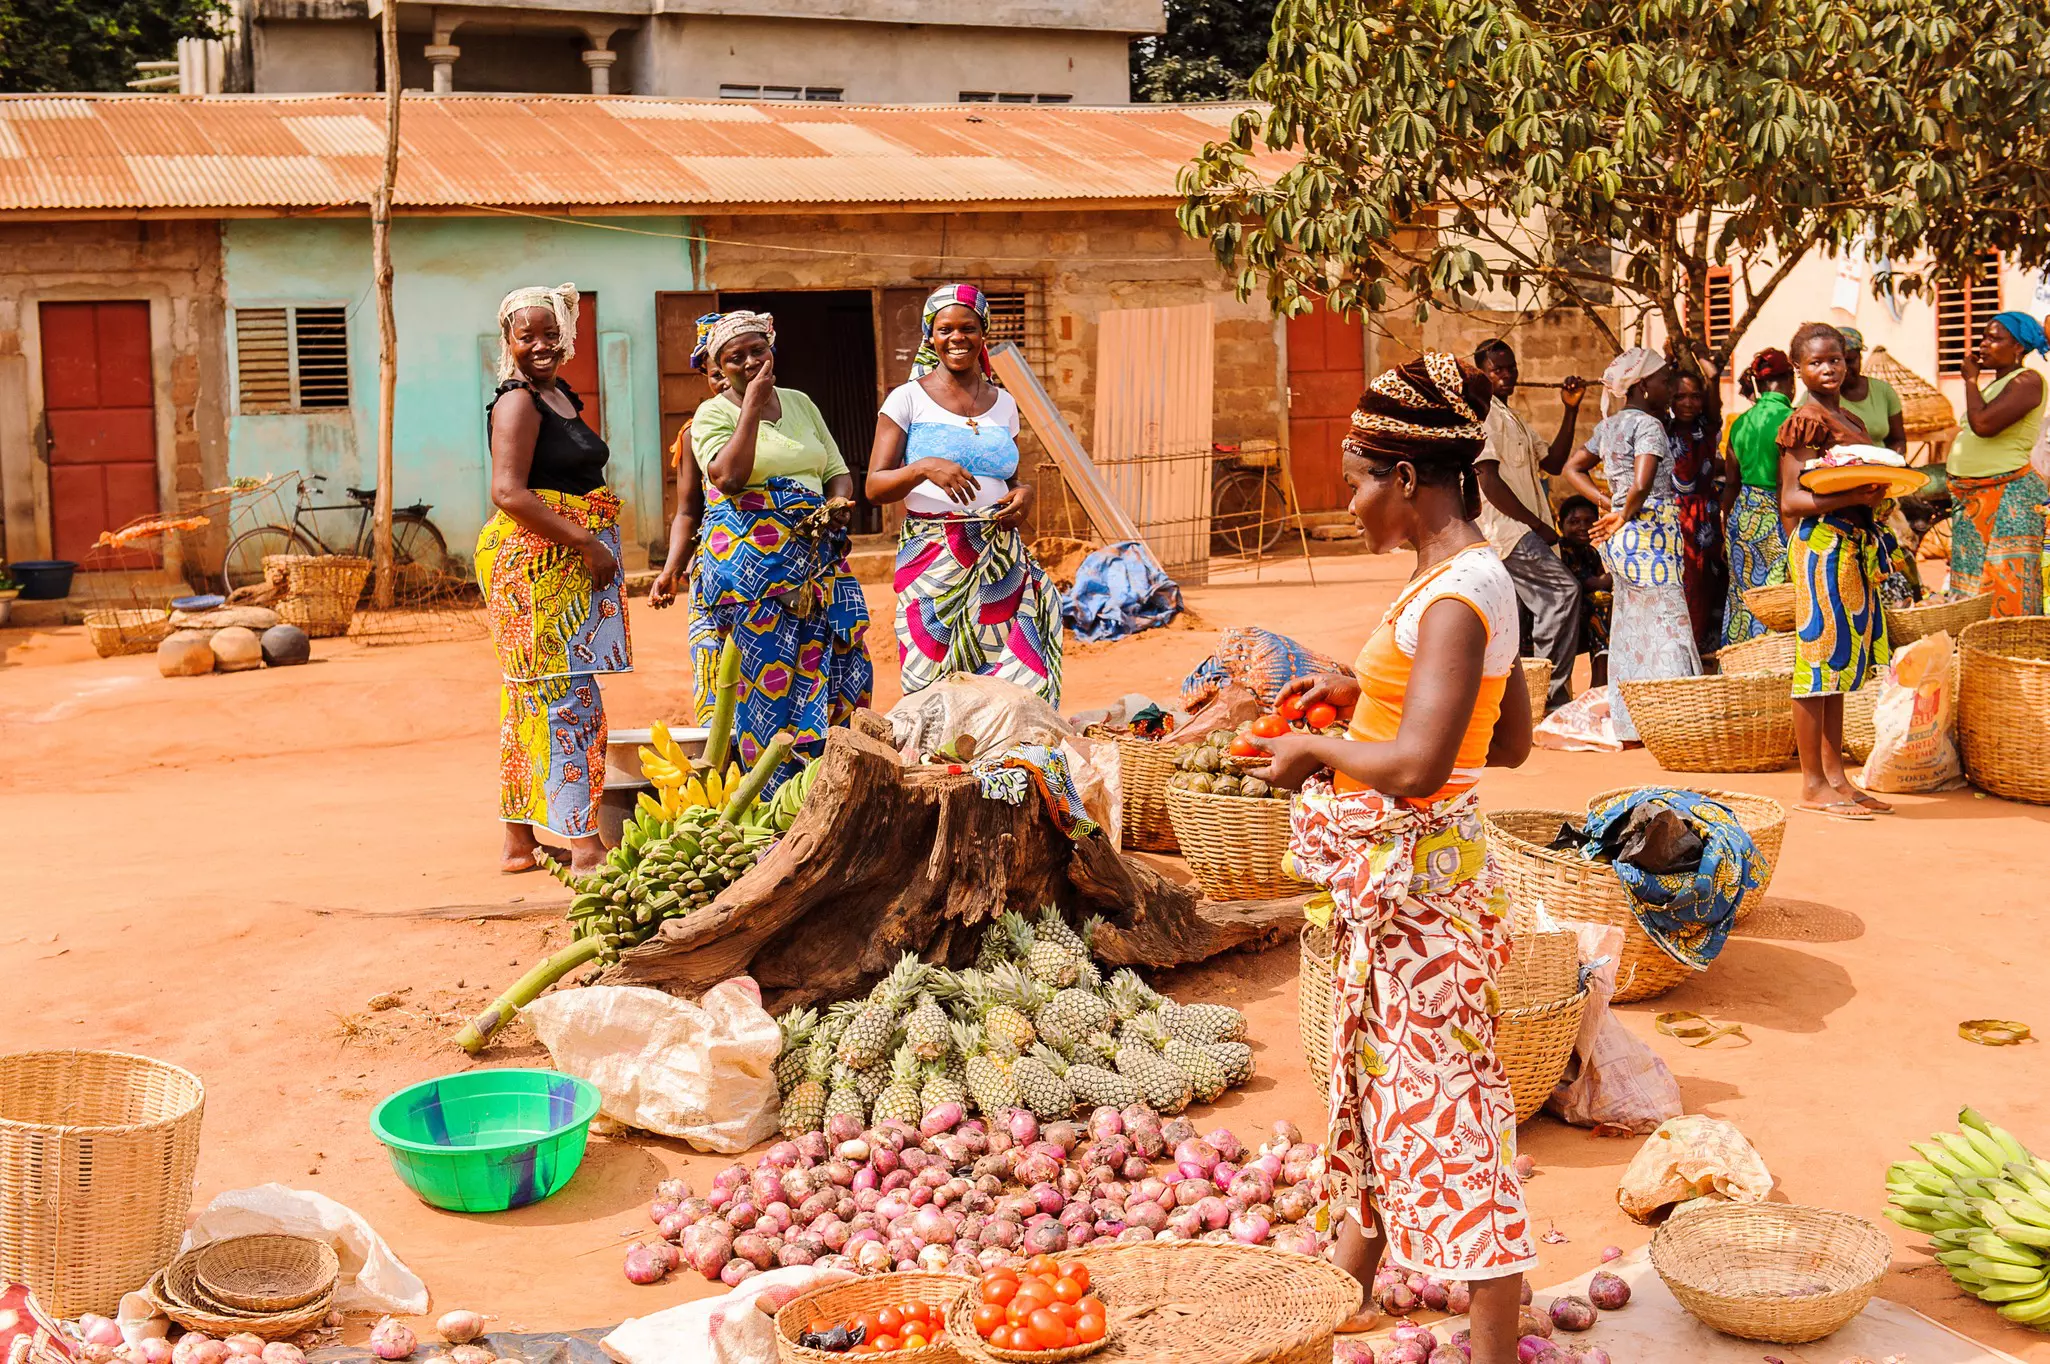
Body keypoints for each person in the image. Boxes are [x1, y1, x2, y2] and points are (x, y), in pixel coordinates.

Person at [1247, 352, 1537, 1362]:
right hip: (1410, 883)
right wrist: (1353, 693)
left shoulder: (1460, 594)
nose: (1350, 495)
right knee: (1377, 1087)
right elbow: (1501, 738)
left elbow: (1420, 763)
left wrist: (1319, 747)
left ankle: (1495, 1344)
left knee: (1448, 1109)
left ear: (1408, 480)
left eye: (1360, 475)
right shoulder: (1456, 580)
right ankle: (1340, 1290)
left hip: (1423, 892)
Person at [476, 283, 630, 875]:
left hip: (562, 565)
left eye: (550, 333)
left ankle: (519, 842)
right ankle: (585, 842)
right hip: (539, 570)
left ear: (566, 337)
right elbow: (507, 491)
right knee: (565, 699)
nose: (539, 345)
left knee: (535, 699)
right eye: (525, 335)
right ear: (508, 342)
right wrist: (586, 541)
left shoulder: (560, 395)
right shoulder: (519, 402)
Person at [687, 309, 873, 778]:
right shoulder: (712, 413)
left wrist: (837, 505)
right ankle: (768, 796)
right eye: (735, 357)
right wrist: (750, 405)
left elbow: (836, 472)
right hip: (752, 571)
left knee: (836, 669)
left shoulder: (801, 403)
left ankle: (828, 787)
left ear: (772, 349)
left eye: (758, 350)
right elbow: (728, 478)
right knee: (764, 680)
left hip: (817, 556)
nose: (749, 362)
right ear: (719, 365)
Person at [865, 283, 1064, 703]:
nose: (957, 338)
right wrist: (923, 467)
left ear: (983, 331)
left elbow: (1010, 476)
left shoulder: (1004, 403)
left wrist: (1024, 492)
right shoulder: (907, 399)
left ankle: (1002, 759)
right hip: (933, 556)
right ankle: (937, 764)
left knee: (1011, 679)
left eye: (968, 328)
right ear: (930, 337)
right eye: (945, 329)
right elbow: (874, 486)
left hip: (1000, 557)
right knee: (931, 676)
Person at [1777, 322, 1894, 820]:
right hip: (1821, 547)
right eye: (1817, 362)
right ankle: (1811, 785)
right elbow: (1793, 498)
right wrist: (1855, 496)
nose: (1829, 368)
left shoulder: (1845, 416)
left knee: (1840, 666)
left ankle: (1837, 779)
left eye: (1837, 360)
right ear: (1798, 368)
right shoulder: (1805, 420)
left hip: (1851, 547)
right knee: (1819, 662)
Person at [1561, 348, 1700, 741]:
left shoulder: (1610, 426)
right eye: (1664, 381)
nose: (1670, 388)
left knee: (1633, 625)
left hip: (1625, 539)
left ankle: (1633, 720)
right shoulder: (1649, 426)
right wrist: (1621, 510)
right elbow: (1642, 483)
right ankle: (1677, 719)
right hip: (1650, 534)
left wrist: (1609, 504)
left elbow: (1573, 469)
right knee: (1669, 621)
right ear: (1642, 386)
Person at [1471, 339, 1586, 712]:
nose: (1506, 375)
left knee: (1519, 614)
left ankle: (1525, 698)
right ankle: (1551, 695)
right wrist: (1537, 525)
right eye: (1497, 369)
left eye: (1510, 368)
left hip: (1522, 529)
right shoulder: (1483, 416)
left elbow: (1551, 463)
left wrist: (1571, 410)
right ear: (1482, 373)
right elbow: (1487, 481)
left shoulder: (1509, 415)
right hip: (1510, 532)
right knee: (1562, 593)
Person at [1948, 311, 2048, 617]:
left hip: (2008, 497)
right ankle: (1981, 658)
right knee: (1975, 589)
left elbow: (1984, 425)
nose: (1984, 345)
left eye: (1995, 339)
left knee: (2007, 584)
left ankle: (2015, 660)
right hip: (1974, 500)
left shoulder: (2028, 381)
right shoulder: (1997, 384)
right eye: (1983, 338)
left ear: (2018, 347)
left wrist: (1969, 379)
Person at [1719, 347, 1797, 643]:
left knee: (1745, 598)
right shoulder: (1794, 421)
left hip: (1744, 516)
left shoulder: (1740, 423)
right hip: (1781, 516)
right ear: (1791, 379)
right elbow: (1784, 483)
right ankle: (1775, 668)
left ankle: (1741, 664)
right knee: (1781, 599)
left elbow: (1731, 483)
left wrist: (1725, 524)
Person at [646, 374, 717, 611]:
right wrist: (672, 570)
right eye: (717, 374)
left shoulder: (787, 418)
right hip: (720, 567)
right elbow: (688, 512)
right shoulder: (693, 433)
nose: (727, 380)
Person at [1669, 371, 1728, 654]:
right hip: (1678, 520)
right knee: (1686, 585)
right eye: (1680, 396)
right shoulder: (1661, 429)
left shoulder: (1707, 427)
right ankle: (1684, 653)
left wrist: (1713, 378)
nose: (1688, 403)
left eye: (1694, 396)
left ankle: (1706, 652)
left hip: (1708, 514)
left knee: (1710, 581)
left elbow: (1716, 413)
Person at [1555, 495, 1612, 687]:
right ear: (1560, 524)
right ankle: (1599, 682)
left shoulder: (1591, 553)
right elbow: (1593, 583)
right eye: (1574, 522)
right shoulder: (1561, 550)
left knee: (1604, 605)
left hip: (1586, 621)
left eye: (1589, 522)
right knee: (1603, 600)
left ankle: (1600, 679)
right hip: (1564, 618)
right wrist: (1619, 574)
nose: (1582, 527)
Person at [1832, 327, 1907, 457]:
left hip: (1881, 470)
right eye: (1839, 362)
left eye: (1851, 361)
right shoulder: (1818, 397)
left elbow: (1897, 440)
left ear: (1860, 358)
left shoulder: (1884, 391)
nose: (1845, 369)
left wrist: (1892, 462)